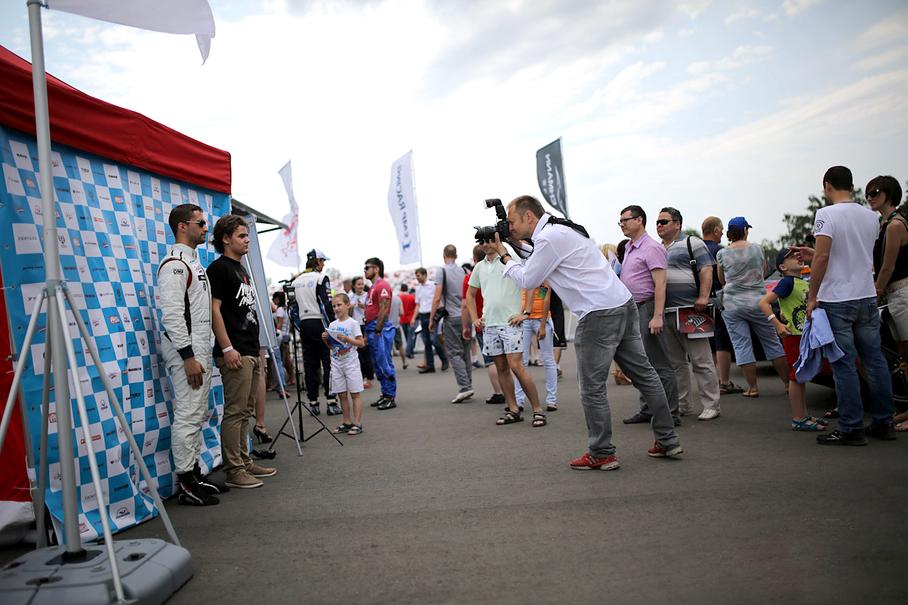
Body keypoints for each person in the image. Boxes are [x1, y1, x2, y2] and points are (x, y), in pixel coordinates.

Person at [496, 195, 682, 469]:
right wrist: (513, 245)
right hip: (622, 303)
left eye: (511, 222)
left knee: (592, 389)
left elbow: (528, 278)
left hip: (597, 314)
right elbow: (536, 260)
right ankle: (668, 440)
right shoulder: (561, 229)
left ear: (529, 217)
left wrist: (503, 255)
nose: (509, 227)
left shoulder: (547, 238)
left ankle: (602, 452)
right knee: (645, 375)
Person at [804, 166, 895, 445]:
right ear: (852, 187)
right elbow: (855, 252)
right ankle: (883, 422)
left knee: (844, 363)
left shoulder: (826, 214)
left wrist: (812, 296)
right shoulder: (871, 217)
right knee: (875, 361)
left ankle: (851, 427)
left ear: (827, 186)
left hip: (836, 298)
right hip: (866, 294)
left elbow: (822, 258)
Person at [158, 204, 224, 506]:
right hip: (187, 352)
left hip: (198, 348)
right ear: (182, 226)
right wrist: (187, 356)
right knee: (187, 413)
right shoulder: (174, 263)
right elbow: (172, 315)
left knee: (197, 413)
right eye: (200, 223)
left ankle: (194, 472)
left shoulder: (193, 262)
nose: (206, 228)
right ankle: (185, 481)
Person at [207, 215, 276, 489]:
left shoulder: (241, 269)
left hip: (249, 348)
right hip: (234, 350)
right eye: (242, 236)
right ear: (226, 239)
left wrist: (255, 350)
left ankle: (245, 462)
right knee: (235, 412)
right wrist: (227, 347)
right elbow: (214, 309)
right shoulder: (219, 268)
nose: (247, 240)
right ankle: (234, 470)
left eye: (247, 236)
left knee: (246, 410)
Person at [466, 239, 546, 426]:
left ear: (496, 240)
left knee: (516, 366)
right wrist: (474, 318)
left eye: (489, 240)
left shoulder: (511, 260)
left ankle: (538, 410)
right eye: (482, 242)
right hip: (490, 325)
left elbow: (531, 282)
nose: (486, 245)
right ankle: (513, 409)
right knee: (501, 368)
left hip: (511, 323)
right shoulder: (479, 267)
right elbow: (470, 294)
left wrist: (526, 312)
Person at [616, 205, 681, 426]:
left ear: (639, 220)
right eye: (620, 221)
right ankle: (648, 409)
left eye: (625, 220)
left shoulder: (651, 247)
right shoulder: (630, 247)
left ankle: (671, 413)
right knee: (642, 364)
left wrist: (657, 316)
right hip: (634, 309)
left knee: (659, 363)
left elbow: (660, 284)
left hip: (647, 308)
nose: (622, 224)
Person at [656, 207, 722, 420]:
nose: (659, 225)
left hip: (691, 311)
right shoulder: (657, 248)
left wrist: (703, 296)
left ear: (677, 224)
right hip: (666, 312)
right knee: (676, 364)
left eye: (664, 221)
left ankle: (711, 404)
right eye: (657, 222)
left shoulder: (692, 243)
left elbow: (706, 269)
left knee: (701, 360)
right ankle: (682, 404)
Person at [716, 217, 789, 397]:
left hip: (733, 305)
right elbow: (763, 272)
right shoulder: (758, 249)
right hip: (758, 303)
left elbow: (722, 279)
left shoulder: (722, 254)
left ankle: (753, 388)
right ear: (745, 230)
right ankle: (788, 384)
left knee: (742, 345)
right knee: (772, 342)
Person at [758, 249, 828, 431]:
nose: (797, 257)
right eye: (791, 257)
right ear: (782, 267)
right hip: (793, 336)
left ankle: (804, 414)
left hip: (804, 335)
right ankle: (798, 418)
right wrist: (777, 324)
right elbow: (764, 303)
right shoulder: (786, 282)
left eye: (797, 255)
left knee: (802, 376)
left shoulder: (801, 281)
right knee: (796, 377)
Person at [291, 249, 339, 416]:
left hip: (304, 325)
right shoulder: (321, 278)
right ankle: (331, 402)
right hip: (320, 323)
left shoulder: (295, 281)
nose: (323, 264)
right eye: (323, 261)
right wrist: (333, 327)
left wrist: (300, 326)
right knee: (328, 363)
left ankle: (313, 403)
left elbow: (292, 310)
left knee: (310, 365)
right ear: (317, 261)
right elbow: (326, 304)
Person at [701, 216, 743, 395]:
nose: (723, 233)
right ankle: (724, 381)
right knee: (722, 339)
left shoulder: (696, 250)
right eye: (721, 230)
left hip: (700, 299)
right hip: (719, 298)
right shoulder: (720, 251)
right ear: (716, 230)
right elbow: (727, 276)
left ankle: (710, 382)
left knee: (707, 341)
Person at [868, 176, 908, 363]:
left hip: (902, 292)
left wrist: (875, 294)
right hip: (893, 295)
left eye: (874, 193)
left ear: (889, 194)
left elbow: (888, 267)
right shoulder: (883, 224)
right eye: (868, 194)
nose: (870, 198)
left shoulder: (895, 225)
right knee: (903, 352)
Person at [430, 245, 473, 402]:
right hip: (466, 315)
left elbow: (437, 297)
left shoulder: (441, 271)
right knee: (465, 352)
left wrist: (432, 318)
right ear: (456, 255)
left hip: (452, 316)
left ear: (444, 256)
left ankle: (465, 387)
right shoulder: (463, 271)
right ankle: (468, 383)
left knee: (454, 353)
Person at [463, 245, 505, 404]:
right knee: (506, 360)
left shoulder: (471, 277)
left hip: (483, 322)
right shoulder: (497, 271)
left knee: (491, 361)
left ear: (474, 259)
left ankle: (499, 392)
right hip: (500, 318)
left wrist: (466, 325)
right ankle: (512, 392)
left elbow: (466, 303)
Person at [323, 293, 366, 435]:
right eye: (334, 306)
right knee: (341, 394)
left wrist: (347, 339)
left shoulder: (353, 323)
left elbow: (361, 343)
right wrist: (326, 340)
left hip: (351, 363)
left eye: (339, 305)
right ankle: (346, 421)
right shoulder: (332, 325)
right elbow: (332, 347)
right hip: (336, 364)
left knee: (354, 393)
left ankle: (357, 423)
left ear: (347, 305)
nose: (336, 308)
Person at [515, 282, 559, 412]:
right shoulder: (523, 275)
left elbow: (546, 299)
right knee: (521, 361)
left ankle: (551, 400)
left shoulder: (543, 277)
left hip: (541, 319)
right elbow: (519, 296)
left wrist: (543, 325)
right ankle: (519, 400)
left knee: (548, 360)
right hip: (524, 320)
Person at [363, 257, 398, 410]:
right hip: (372, 328)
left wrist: (378, 328)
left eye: (367, 268)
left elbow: (384, 309)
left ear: (376, 269)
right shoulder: (373, 287)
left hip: (380, 329)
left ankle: (390, 396)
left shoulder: (382, 285)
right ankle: (385, 393)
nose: (365, 270)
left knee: (384, 363)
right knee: (377, 365)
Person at [414, 267, 448, 373]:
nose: (417, 278)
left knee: (434, 339)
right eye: (416, 276)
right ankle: (430, 366)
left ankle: (444, 359)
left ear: (424, 275)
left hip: (432, 315)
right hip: (422, 315)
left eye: (418, 276)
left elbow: (439, 298)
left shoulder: (433, 285)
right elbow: (418, 304)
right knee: (427, 342)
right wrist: (414, 317)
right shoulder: (418, 289)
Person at [350, 276, 375, 387]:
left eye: (362, 284)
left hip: (366, 325)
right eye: (358, 284)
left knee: (366, 352)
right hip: (355, 326)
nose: (361, 286)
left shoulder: (368, 295)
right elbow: (349, 315)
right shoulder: (350, 297)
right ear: (354, 286)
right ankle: (362, 377)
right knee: (358, 353)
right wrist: (350, 308)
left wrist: (364, 306)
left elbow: (372, 310)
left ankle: (369, 378)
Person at [398, 283, 417, 360]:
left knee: (407, 336)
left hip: (402, 319)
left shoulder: (399, 297)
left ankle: (409, 351)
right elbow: (416, 307)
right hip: (411, 318)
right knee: (410, 336)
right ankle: (409, 352)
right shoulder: (412, 297)